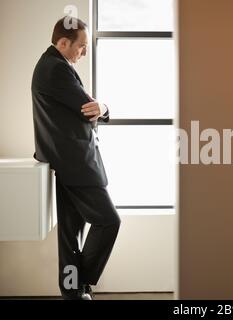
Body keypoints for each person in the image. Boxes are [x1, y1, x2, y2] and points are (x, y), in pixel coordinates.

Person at [31, 16, 121, 300]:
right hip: (75, 162)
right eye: (81, 46)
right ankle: (79, 282)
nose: (84, 52)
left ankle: (73, 291)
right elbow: (89, 108)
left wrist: (100, 107)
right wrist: (104, 107)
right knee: (108, 221)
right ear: (63, 42)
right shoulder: (56, 69)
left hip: (66, 160)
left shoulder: (53, 66)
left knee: (70, 233)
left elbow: (88, 108)